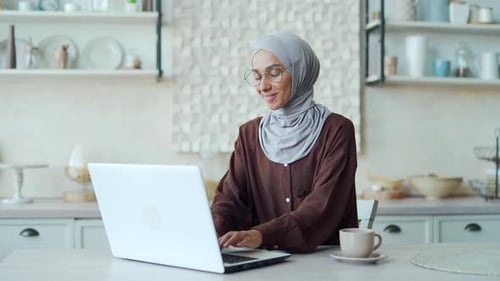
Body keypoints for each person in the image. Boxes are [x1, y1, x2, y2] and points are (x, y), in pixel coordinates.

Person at [210, 31, 358, 253]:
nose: (263, 86)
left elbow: (322, 207)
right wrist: (211, 231)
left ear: (301, 72)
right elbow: (230, 199)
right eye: (258, 76)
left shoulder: (336, 130)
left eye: (274, 73)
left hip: (325, 264)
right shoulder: (249, 134)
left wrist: (262, 235)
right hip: (264, 263)